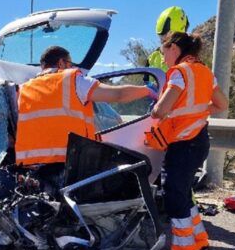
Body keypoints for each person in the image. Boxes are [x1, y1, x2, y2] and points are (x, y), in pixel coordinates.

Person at [146, 32, 228, 250]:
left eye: (163, 52)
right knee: (183, 195)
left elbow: (160, 111)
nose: (164, 58)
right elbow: (222, 105)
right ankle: (201, 245)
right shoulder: (204, 72)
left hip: (183, 144)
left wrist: (156, 108)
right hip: (200, 140)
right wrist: (197, 114)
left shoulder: (180, 73)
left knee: (174, 199)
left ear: (174, 48)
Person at [15, 46, 155, 168]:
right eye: (70, 63)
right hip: (70, 165)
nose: (73, 68)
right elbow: (118, 95)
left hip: (30, 171)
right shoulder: (73, 80)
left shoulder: (23, 89)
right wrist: (146, 90)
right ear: (61, 62)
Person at [146, 6, 189, 73]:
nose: (163, 41)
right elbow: (145, 80)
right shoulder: (152, 58)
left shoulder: (188, 57)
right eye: (161, 36)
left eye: (167, 37)